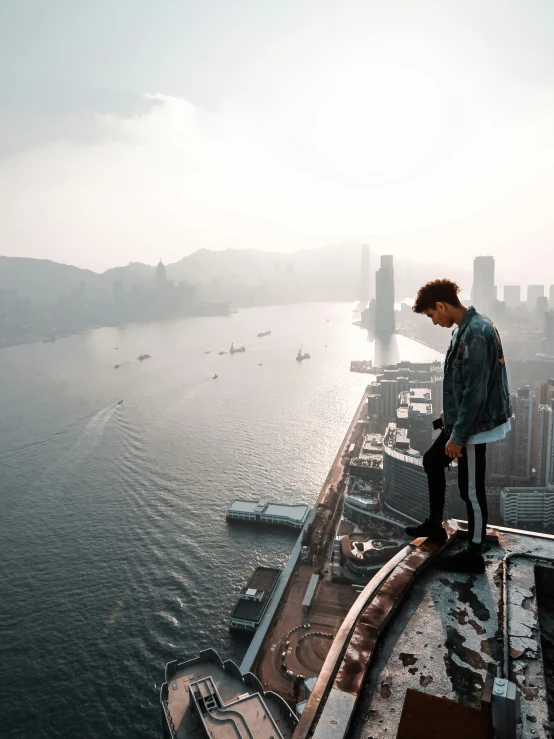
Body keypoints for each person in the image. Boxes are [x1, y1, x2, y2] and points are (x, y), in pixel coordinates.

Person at [404, 279, 512, 573]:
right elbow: (464, 384)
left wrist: (459, 436)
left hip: (475, 428)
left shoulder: (476, 334)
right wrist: (446, 416)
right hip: (464, 422)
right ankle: (435, 526)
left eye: (431, 315)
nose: (433, 321)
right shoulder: (467, 328)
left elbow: (476, 393)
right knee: (431, 461)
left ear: (441, 305)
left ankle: (473, 555)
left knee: (471, 491)